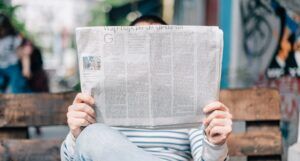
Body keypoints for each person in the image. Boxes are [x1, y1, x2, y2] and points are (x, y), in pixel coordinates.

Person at [61, 15, 232, 161]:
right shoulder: (95, 104)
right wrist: (77, 135)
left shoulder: (190, 102)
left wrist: (215, 145)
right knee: (92, 136)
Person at [0, 13, 30, 93]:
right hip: (0, 67)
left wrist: (26, 68)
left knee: (17, 84)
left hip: (12, 66)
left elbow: (23, 53)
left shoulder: (14, 38)